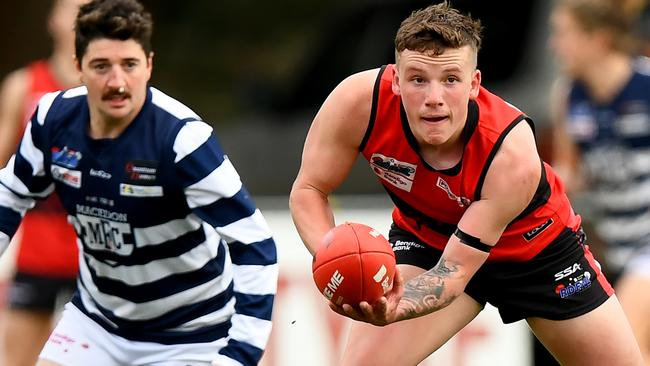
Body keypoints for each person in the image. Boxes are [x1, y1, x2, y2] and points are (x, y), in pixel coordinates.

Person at [289, 2, 644, 365]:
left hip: (538, 253)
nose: (434, 99)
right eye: (417, 79)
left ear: (474, 84)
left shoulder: (510, 152)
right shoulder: (357, 103)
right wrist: (333, 260)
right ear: (395, 79)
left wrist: (394, 306)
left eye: (451, 80)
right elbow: (309, 190)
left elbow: (454, 273)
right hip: (428, 239)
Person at [0, 0, 278, 365]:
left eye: (129, 65)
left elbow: (255, 245)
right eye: (101, 66)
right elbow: (10, 194)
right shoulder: (53, 119)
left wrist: (240, 354)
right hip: (98, 322)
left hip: (191, 334)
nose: (117, 83)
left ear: (149, 64)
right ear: (78, 67)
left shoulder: (182, 140)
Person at [549, 0, 650, 364]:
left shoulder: (646, 85)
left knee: (628, 344)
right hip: (620, 248)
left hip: (647, 247)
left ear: (599, 39)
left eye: (564, 34)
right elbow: (568, 175)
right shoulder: (569, 96)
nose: (554, 45)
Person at [0, 1, 87, 365]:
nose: (83, 15)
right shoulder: (24, 84)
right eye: (74, 7)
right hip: (37, 254)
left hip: (96, 259)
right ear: (53, 20)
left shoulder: (116, 89)